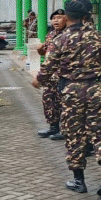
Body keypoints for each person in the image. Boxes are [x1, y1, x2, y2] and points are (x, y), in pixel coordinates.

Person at [37, 0, 101, 197]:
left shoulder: (60, 40)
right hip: (98, 90)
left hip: (72, 92)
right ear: (87, 16)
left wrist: (38, 80)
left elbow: (47, 68)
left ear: (67, 16)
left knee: (74, 135)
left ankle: (79, 181)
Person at [33, 9, 66, 139]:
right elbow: (45, 53)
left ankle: (64, 130)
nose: (56, 20)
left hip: (62, 75)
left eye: (59, 17)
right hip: (50, 76)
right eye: (54, 18)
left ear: (66, 19)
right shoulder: (50, 35)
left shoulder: (68, 35)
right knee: (49, 101)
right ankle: (53, 127)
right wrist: (40, 49)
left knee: (63, 103)